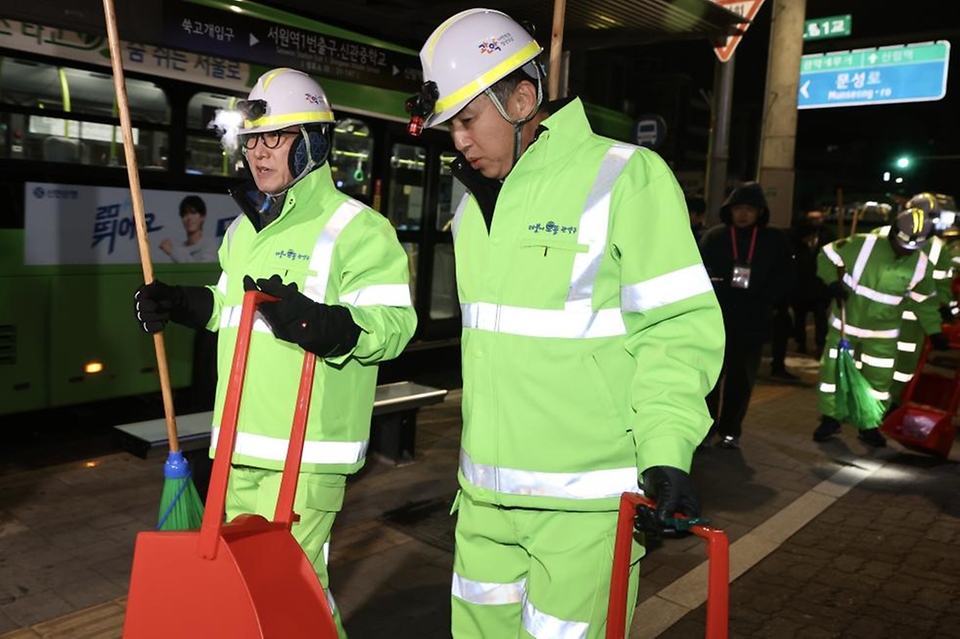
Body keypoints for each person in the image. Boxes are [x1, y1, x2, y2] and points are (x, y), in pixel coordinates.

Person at [405, 9, 724, 638]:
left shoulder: (626, 177)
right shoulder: (471, 202)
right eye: (451, 127)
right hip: (482, 507)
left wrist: (667, 452)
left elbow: (677, 329)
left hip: (586, 511)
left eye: (469, 120)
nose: (460, 141)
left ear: (523, 97)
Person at [133, 67, 417, 636]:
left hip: (305, 456)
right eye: (253, 140)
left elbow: (394, 325)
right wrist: (189, 304)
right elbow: (231, 309)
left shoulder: (359, 229)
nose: (258, 153)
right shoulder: (244, 230)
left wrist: (328, 325)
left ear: (312, 142)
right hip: (237, 443)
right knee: (249, 592)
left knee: (291, 590)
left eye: (276, 138)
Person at [812, 204, 945, 448]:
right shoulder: (862, 244)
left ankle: (869, 425)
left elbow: (924, 301)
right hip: (846, 324)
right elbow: (826, 255)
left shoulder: (921, 264)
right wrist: (831, 281)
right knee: (833, 375)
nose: (905, 251)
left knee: (879, 383)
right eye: (901, 244)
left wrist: (934, 330)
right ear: (893, 233)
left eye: (911, 248)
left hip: (882, 333)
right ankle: (830, 419)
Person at [699, 183, 795, 448]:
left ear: (759, 212)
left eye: (749, 209)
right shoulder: (714, 236)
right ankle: (705, 431)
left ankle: (731, 431)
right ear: (728, 211)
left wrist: (767, 299)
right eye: (737, 209)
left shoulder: (774, 239)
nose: (742, 215)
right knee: (708, 380)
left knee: (741, 381)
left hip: (753, 320)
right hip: (715, 319)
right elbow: (697, 271)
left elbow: (786, 276)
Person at [883, 193, 956, 402]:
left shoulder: (937, 247)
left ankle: (893, 403)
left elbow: (941, 281)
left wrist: (942, 306)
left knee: (904, 366)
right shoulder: (886, 237)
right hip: (884, 312)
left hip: (915, 318)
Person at [790, 209, 835, 359]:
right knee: (800, 316)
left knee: (820, 316)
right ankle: (800, 342)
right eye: (812, 219)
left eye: (818, 218)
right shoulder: (797, 237)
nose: (815, 222)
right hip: (801, 285)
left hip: (819, 285)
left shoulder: (827, 236)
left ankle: (820, 344)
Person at [158, 195, 219, 263]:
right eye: (185, 214)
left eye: (193, 213)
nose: (189, 218)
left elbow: (200, 271)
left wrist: (173, 251)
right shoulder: (180, 247)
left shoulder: (210, 245)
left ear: (202, 217)